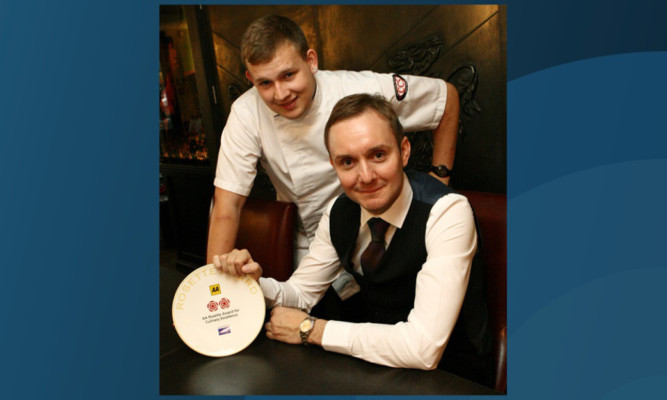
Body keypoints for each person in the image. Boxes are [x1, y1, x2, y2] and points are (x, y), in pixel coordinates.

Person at [215, 94, 491, 383]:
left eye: (378, 155)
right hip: (376, 365)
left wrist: (312, 330)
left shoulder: (447, 212)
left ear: (404, 151)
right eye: (347, 162)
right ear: (334, 166)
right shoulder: (339, 211)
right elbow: (301, 293)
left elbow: (423, 348)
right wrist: (252, 284)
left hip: (452, 375)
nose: (366, 176)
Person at [207, 15, 461, 281]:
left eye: (289, 75)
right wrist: (212, 288)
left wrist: (440, 178)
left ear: (311, 61)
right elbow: (226, 208)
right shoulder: (246, 113)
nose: (281, 94)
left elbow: (445, 98)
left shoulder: (361, 89)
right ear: (250, 78)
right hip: (309, 246)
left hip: (378, 233)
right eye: (265, 83)